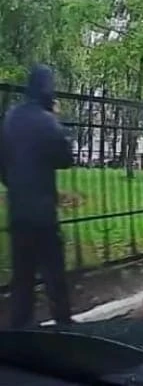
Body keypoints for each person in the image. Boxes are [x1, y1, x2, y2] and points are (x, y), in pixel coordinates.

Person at [0, 64, 74, 328]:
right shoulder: (47, 121)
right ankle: (65, 327)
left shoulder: (10, 117)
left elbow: (2, 163)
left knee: (22, 279)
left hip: (18, 211)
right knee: (54, 275)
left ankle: (20, 335)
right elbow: (65, 158)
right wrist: (56, 119)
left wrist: (17, 185)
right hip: (43, 213)